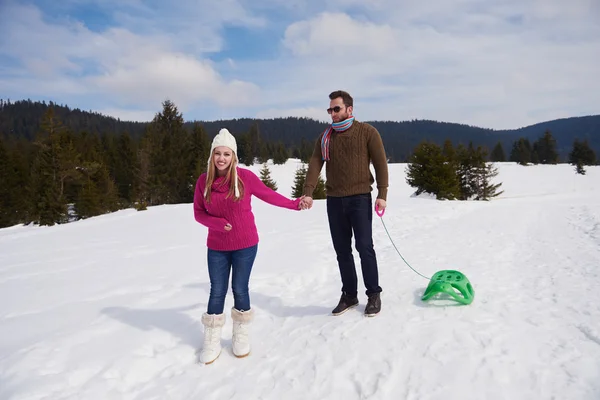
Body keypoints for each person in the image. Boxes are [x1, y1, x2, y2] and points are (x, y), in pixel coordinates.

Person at [193, 128, 304, 364]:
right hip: (216, 247)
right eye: (217, 154)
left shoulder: (245, 178)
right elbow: (198, 213)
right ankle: (212, 339)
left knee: (240, 289)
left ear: (234, 156)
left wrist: (294, 205)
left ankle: (240, 334)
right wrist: (216, 223)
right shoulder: (204, 181)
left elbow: (269, 195)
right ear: (212, 156)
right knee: (217, 291)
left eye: (227, 154)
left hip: (245, 244)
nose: (222, 158)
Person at [300, 90, 389, 317]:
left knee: (364, 247)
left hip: (360, 198)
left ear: (349, 109)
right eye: (330, 110)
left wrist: (382, 194)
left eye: (336, 109)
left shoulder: (368, 132)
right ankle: (349, 294)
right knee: (342, 250)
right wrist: (308, 192)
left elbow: (380, 164)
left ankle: (373, 294)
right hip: (334, 200)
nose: (332, 113)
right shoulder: (326, 137)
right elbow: (314, 163)